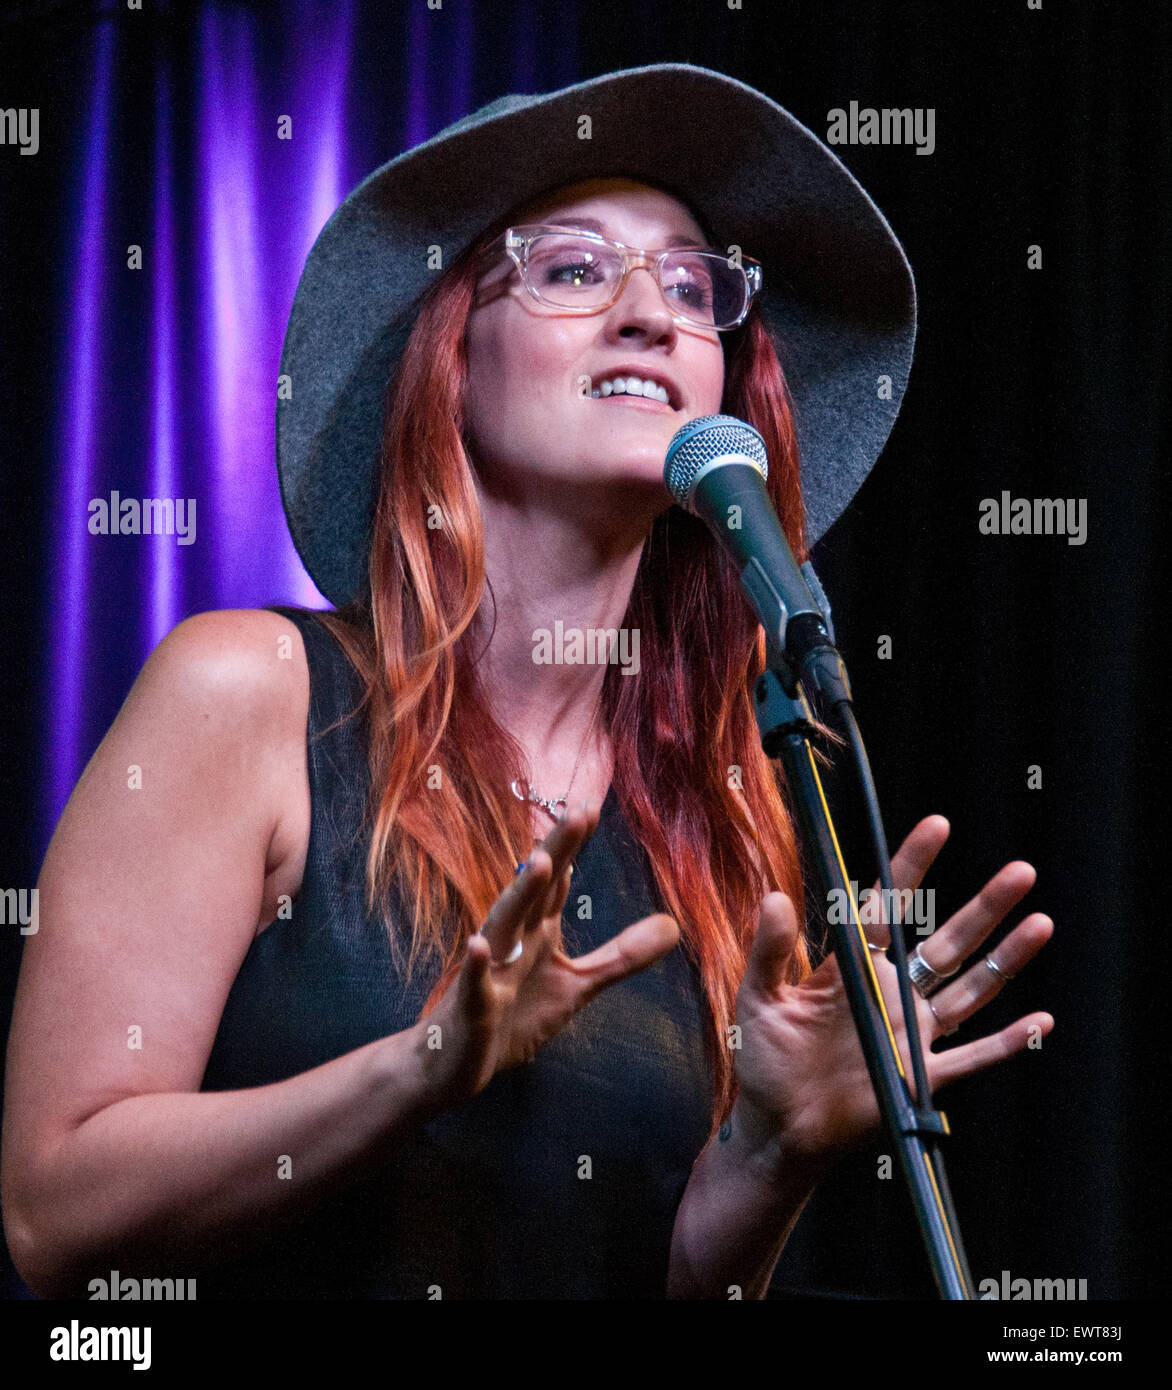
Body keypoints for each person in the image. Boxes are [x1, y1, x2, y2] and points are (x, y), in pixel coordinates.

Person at [2, 65, 1054, 1300]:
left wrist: (767, 1159)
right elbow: (53, 1210)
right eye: (570, 268)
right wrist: (420, 1069)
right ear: (451, 358)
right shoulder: (249, 693)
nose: (651, 316)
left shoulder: (731, 813)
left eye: (691, 286)